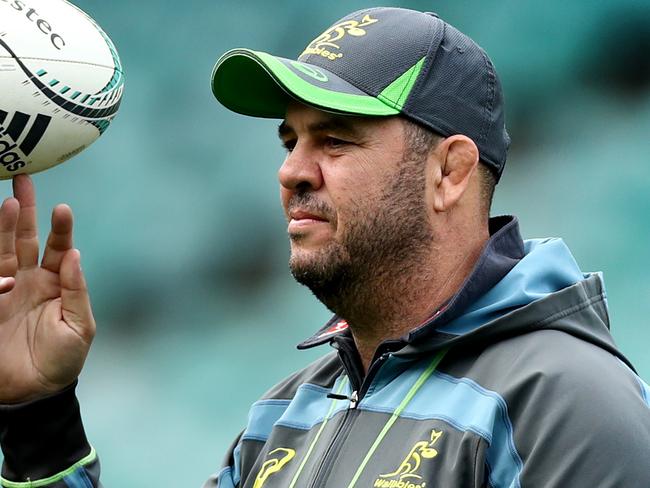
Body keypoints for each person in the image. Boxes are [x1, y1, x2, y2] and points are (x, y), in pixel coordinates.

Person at [1, 6, 649, 488]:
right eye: (291, 142)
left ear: (449, 172)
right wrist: (40, 421)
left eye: (335, 139)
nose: (292, 170)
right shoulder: (285, 414)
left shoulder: (569, 404)